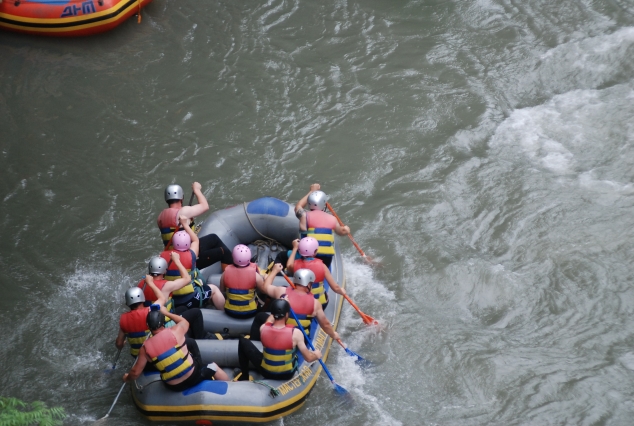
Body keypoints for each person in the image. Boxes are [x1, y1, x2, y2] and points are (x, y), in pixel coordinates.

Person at [123, 304, 229, 390]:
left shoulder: (144, 348)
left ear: (148, 326)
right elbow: (184, 322)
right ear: (163, 322)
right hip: (192, 377)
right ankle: (231, 389)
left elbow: (135, 373)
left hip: (173, 386)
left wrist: (127, 378)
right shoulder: (176, 332)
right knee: (213, 367)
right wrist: (166, 313)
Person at [236, 299, 321, 381]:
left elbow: (269, 321)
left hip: (266, 372)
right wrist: (316, 355)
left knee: (243, 341)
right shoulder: (296, 333)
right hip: (287, 374)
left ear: (272, 314)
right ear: (287, 314)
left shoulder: (263, 328)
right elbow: (308, 358)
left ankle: (245, 376)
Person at [251, 264, 340, 342]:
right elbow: (325, 324)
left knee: (260, 316)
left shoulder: (282, 291)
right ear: (309, 284)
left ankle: (256, 342)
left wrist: (274, 271)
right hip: (300, 339)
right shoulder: (315, 303)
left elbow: (265, 287)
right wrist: (334, 334)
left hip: (281, 334)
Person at [159, 215, 225, 310]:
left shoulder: (163, 256)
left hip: (173, 300)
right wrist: (185, 224)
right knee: (213, 289)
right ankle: (223, 313)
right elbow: (195, 240)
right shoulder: (191, 255)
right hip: (191, 299)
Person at [138, 255, 207, 339]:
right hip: (163, 323)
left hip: (151, 322)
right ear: (164, 271)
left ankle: (189, 332)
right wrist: (176, 260)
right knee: (196, 313)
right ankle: (201, 338)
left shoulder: (142, 284)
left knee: (183, 308)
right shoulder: (167, 286)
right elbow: (187, 279)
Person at [295, 183, 350, 267]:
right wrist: (346, 229)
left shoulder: (304, 216)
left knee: (283, 256)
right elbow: (342, 232)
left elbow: (298, 206)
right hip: (326, 259)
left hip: (308, 256)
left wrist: (312, 191)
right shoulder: (332, 219)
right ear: (324, 204)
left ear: (309, 202)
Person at [286, 237, 346, 310]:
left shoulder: (294, 266)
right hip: (319, 304)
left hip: (302, 303)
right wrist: (342, 291)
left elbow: (288, 265)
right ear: (315, 252)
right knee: (326, 295)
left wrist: (295, 248)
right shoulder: (322, 266)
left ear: (299, 250)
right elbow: (335, 288)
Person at [116, 281, 165, 359]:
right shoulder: (150, 311)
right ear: (143, 298)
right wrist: (151, 283)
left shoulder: (123, 319)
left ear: (128, 302)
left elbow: (119, 343)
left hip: (137, 356)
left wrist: (122, 344)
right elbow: (162, 298)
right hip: (154, 353)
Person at [157, 182, 209, 250]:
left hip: (171, 253)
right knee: (214, 239)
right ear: (182, 198)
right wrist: (196, 189)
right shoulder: (183, 212)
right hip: (188, 251)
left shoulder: (160, 217)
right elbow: (205, 206)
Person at [218, 244, 264, 319]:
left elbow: (222, 290)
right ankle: (263, 309)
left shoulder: (225, 273)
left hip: (229, 311)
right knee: (263, 294)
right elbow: (263, 290)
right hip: (250, 312)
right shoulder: (256, 275)